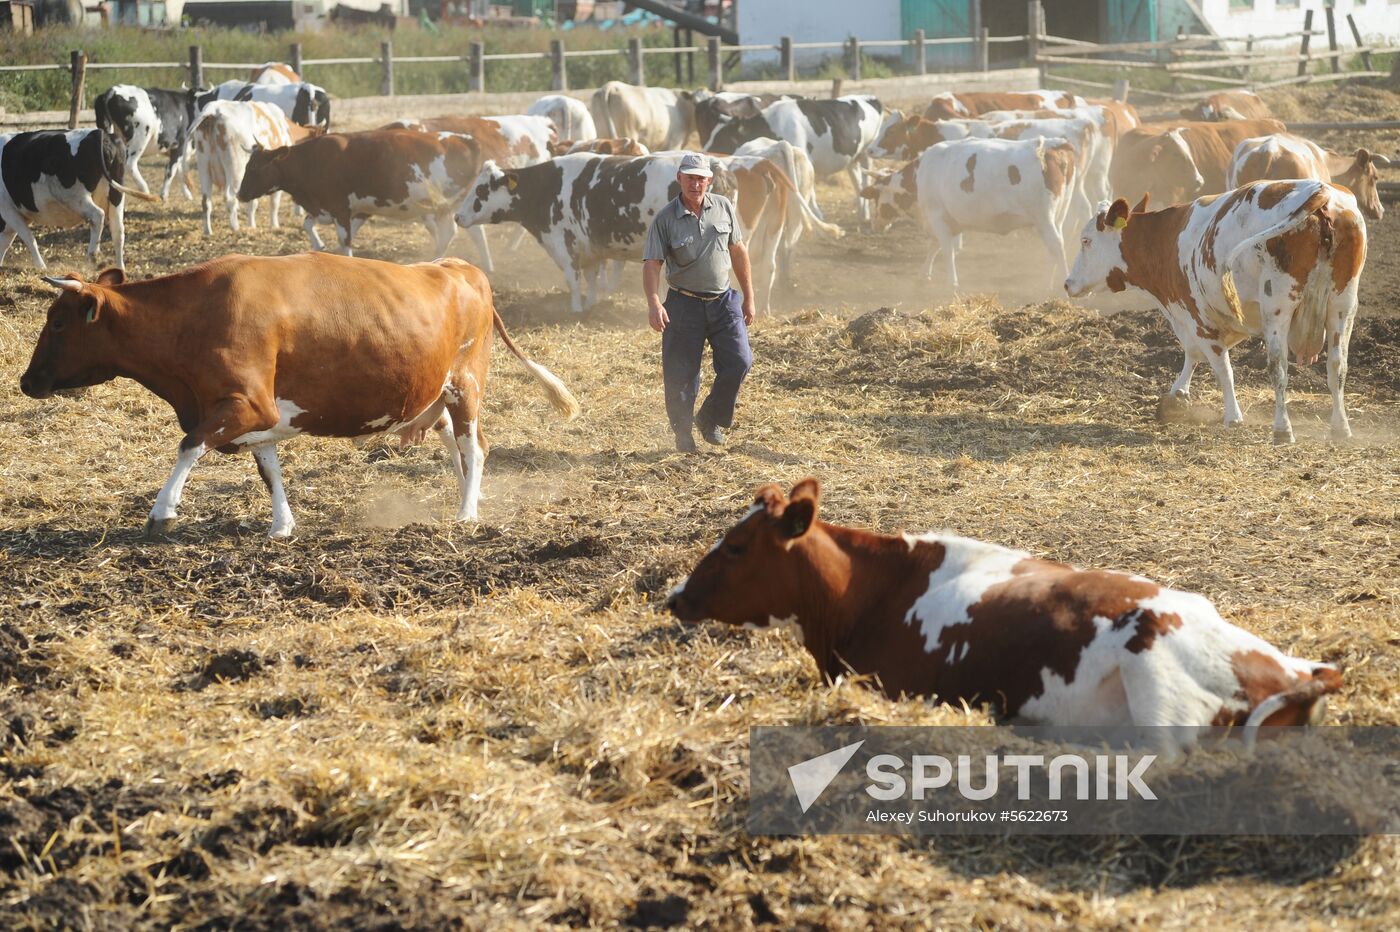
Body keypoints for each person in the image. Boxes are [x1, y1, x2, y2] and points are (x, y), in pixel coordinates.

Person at [642, 153, 756, 454]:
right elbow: (652, 264)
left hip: (723, 300)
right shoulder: (665, 219)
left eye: (701, 178)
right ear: (679, 178)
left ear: (710, 180)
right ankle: (683, 435)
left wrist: (748, 297)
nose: (695, 183)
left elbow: (738, 251)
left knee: (740, 361)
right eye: (690, 177)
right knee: (681, 375)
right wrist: (655, 302)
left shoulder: (724, 207)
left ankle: (710, 417)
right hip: (683, 304)